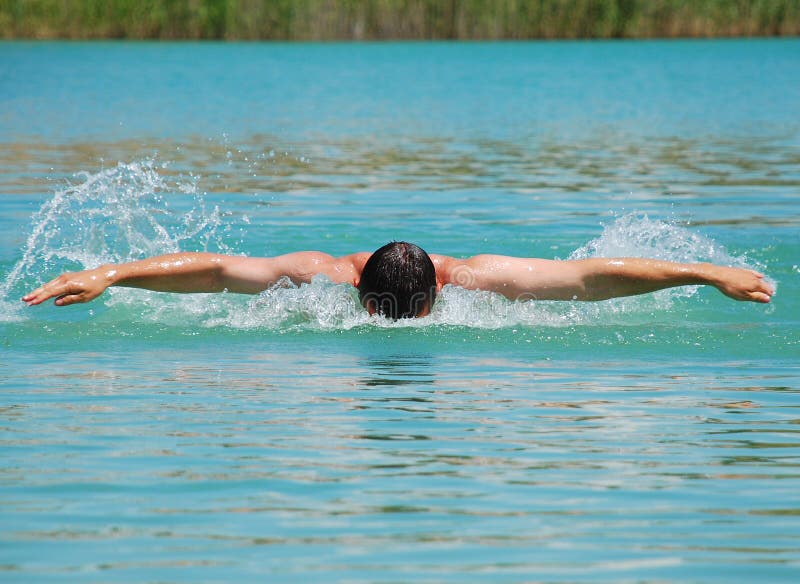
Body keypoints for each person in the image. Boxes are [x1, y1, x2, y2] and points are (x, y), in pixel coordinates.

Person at [22, 241, 774, 319]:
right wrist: (109, 275)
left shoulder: (484, 279)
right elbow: (214, 268)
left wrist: (706, 274)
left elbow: (591, 276)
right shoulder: (314, 275)